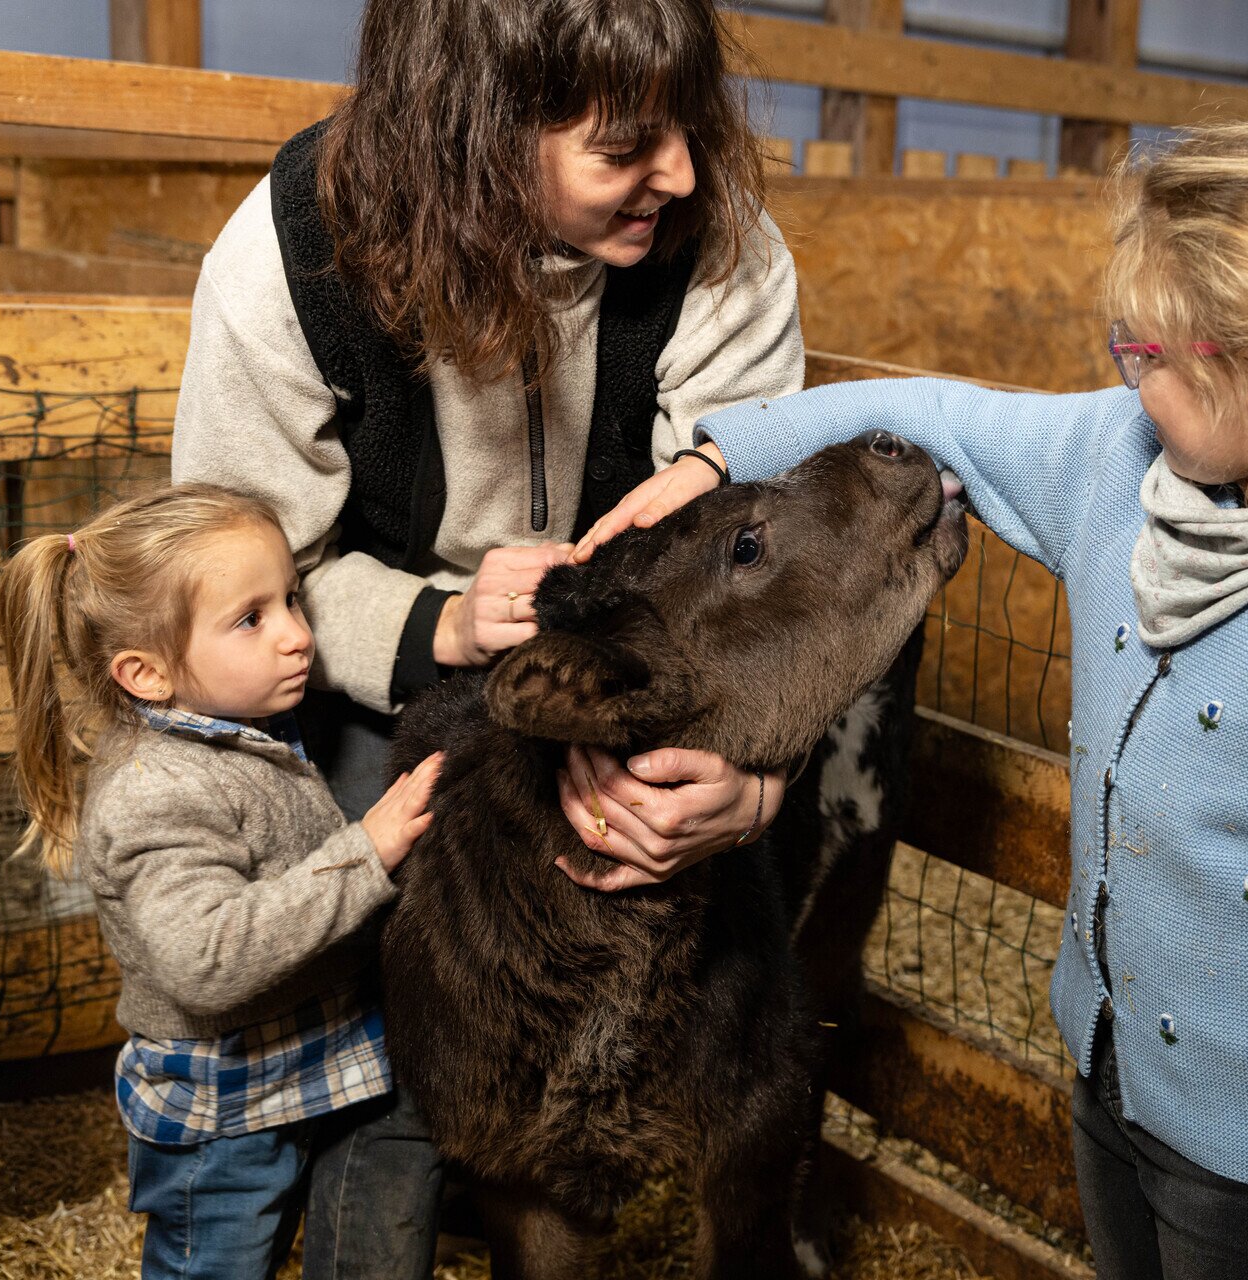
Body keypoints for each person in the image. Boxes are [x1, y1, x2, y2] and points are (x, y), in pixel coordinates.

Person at [580, 115, 1248, 1280]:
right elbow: (932, 417)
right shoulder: (1121, 463)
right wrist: (718, 462)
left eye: (1145, 351)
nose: (1124, 367)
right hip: (1113, 1074)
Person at [171, 1, 802, 1267]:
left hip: (654, 679)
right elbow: (255, 557)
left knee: (739, 961)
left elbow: (766, 545)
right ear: (483, 131)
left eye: (687, 124)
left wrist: (757, 775)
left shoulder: (717, 237)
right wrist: (440, 622)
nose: (679, 173)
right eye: (625, 145)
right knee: (400, 1001)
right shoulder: (293, 255)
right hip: (376, 667)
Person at [0, 484, 445, 1280]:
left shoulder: (243, 732)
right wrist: (366, 854)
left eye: (292, 601)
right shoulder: (154, 793)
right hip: (221, 1117)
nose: (298, 637)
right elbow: (208, 958)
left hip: (297, 1071)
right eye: (252, 619)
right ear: (147, 673)